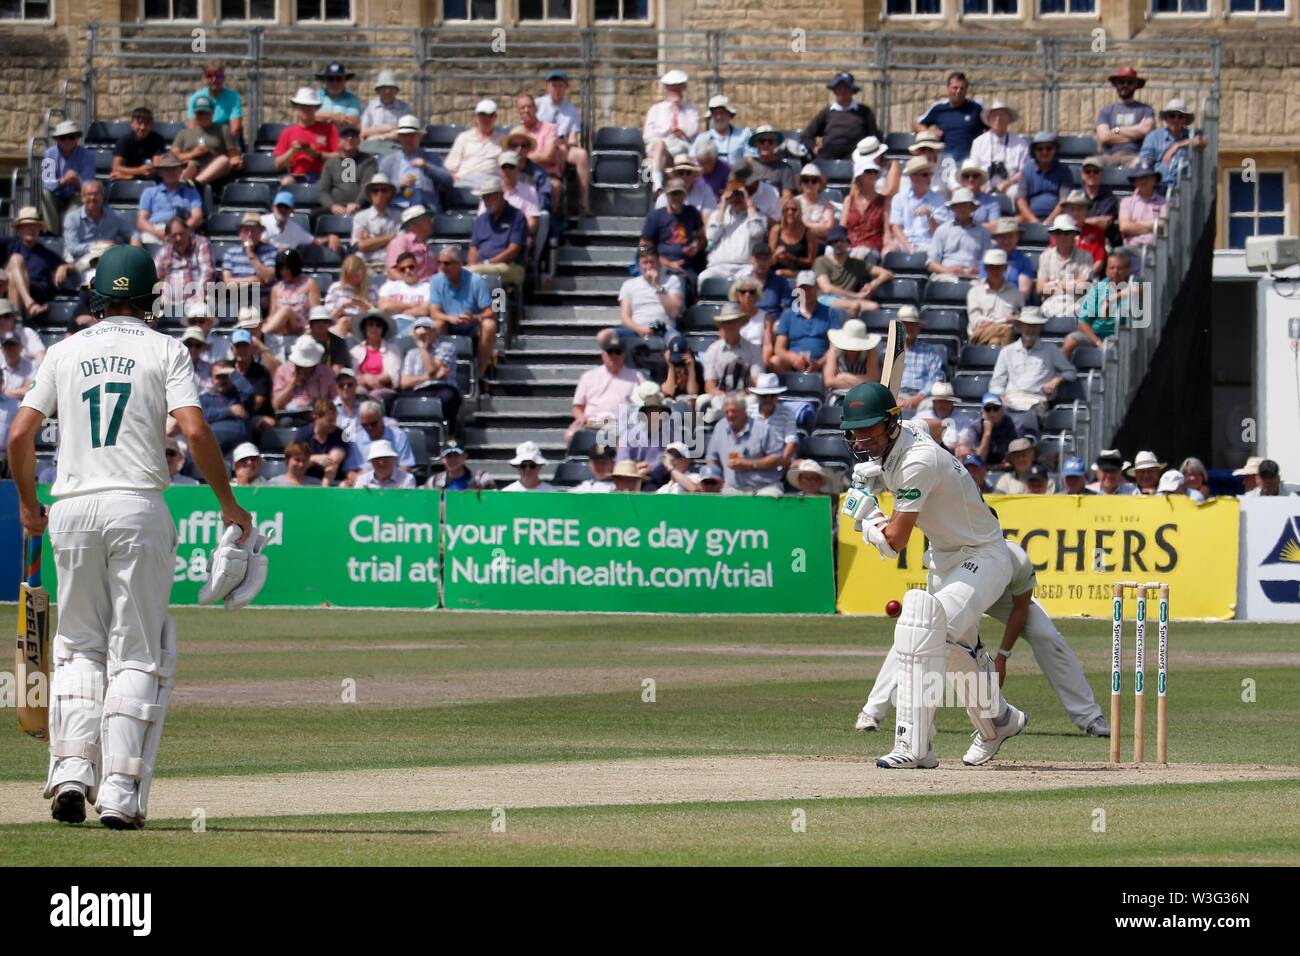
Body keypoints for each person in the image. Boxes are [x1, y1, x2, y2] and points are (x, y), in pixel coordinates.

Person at [7, 244, 253, 829]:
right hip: (138, 505)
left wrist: (26, 504)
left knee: (77, 648)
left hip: (71, 509)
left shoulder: (63, 351)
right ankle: (118, 789)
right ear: (149, 298)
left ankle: (70, 772)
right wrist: (229, 504)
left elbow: (18, 434)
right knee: (138, 651)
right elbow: (194, 431)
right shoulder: (165, 349)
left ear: (96, 293)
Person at [839, 381, 1028, 767]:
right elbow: (923, 427)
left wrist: (869, 512)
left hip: (984, 555)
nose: (862, 440)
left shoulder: (917, 462)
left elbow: (894, 542)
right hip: (944, 559)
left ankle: (914, 747)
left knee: (925, 630)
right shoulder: (904, 435)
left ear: (891, 424)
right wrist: (877, 470)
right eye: (856, 432)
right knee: (956, 647)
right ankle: (999, 720)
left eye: (869, 431)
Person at [858, 536, 1106, 737]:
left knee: (1047, 635)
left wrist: (1003, 657)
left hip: (1002, 596)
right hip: (962, 588)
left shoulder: (1015, 557)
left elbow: (1020, 609)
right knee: (920, 633)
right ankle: (873, 710)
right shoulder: (948, 557)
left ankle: (1089, 717)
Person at [427, 245, 497, 379]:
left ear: (458, 264)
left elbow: (490, 312)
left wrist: (475, 318)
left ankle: (479, 375)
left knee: (489, 325)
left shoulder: (476, 280)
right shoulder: (436, 281)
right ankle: (443, 370)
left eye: (446, 263)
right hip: (449, 323)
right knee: (438, 324)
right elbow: (434, 313)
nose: (442, 267)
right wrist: (450, 318)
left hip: (473, 325)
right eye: (439, 263)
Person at [989, 308, 1075, 417]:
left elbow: (1071, 372)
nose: (1031, 329)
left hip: (1037, 400)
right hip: (1011, 399)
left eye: (1035, 325)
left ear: (1040, 328)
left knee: (1033, 417)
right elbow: (996, 383)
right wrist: (1001, 397)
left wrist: (1055, 381)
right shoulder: (1007, 351)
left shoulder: (1051, 350)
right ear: (1020, 327)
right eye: (1027, 325)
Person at [567, 329, 643, 441]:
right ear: (603, 355)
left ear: (624, 355)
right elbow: (577, 408)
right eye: (610, 352)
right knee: (570, 435)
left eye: (618, 352)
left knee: (619, 434)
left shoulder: (636, 376)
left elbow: (644, 405)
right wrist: (581, 417)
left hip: (619, 423)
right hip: (592, 421)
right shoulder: (589, 376)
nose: (614, 356)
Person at [705, 393, 786, 496]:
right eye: (726, 412)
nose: (730, 415)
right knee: (724, 500)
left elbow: (777, 458)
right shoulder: (720, 427)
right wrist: (716, 479)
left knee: (768, 498)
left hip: (764, 487)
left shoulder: (762, 429)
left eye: (733, 411)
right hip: (733, 488)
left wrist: (749, 464)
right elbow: (711, 458)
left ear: (744, 411)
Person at [535, 69, 592, 215]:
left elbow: (573, 137)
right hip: (540, 145)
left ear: (565, 87)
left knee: (582, 155)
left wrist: (566, 145)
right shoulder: (537, 104)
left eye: (560, 85)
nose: (557, 89)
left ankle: (584, 204)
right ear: (547, 87)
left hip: (562, 146)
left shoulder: (571, 110)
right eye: (554, 85)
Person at [1063, 251, 1137, 362]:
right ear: (1106, 271)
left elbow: (1141, 290)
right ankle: (1065, 374)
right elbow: (1082, 322)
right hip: (1096, 336)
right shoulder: (1098, 288)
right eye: (1112, 268)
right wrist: (1098, 343)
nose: (1115, 271)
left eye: (1119, 268)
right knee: (1070, 340)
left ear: (1127, 270)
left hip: (1120, 337)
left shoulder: (1134, 283)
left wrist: (1111, 300)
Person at [2, 208, 73, 320]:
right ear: (19, 228)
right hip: (6, 293)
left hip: (36, 292)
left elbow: (74, 267)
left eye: (35, 225)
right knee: (16, 259)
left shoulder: (46, 254)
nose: (31, 229)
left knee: (13, 278)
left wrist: (65, 266)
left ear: (40, 228)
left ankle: (16, 323)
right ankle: (28, 305)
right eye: (27, 225)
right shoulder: (9, 244)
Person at [378, 115, 454, 213]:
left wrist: (427, 166)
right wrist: (399, 184)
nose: (408, 139)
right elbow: (379, 190)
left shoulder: (431, 157)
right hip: (396, 209)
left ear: (419, 137)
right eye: (404, 136)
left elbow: (448, 180)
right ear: (399, 138)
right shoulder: (388, 161)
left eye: (412, 135)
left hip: (425, 208)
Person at [771, 270, 842, 373]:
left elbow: (835, 347)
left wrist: (819, 363)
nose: (806, 292)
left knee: (834, 362)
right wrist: (794, 359)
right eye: (803, 288)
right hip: (793, 364)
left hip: (822, 363)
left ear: (817, 288)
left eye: (809, 288)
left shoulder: (830, 313)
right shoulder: (787, 315)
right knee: (775, 361)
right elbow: (779, 348)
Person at [800, 71, 880, 162]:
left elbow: (874, 136)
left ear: (852, 91)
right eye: (839, 88)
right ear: (834, 90)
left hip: (856, 155)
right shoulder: (826, 113)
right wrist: (814, 148)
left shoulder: (864, 112)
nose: (842, 91)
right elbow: (806, 135)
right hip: (828, 155)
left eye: (846, 87)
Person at [399, 316, 462, 428]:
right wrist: (430, 378)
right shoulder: (412, 353)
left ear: (434, 332)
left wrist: (424, 348)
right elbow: (404, 383)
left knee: (448, 398)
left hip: (442, 388)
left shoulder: (446, 347)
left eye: (426, 328)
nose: (422, 332)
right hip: (420, 389)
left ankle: (450, 432)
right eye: (418, 328)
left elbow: (432, 370)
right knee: (397, 399)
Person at [642, 70, 700, 193]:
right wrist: (668, 129)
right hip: (661, 148)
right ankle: (657, 185)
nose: (676, 91)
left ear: (684, 88)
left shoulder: (691, 109)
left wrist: (678, 111)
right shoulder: (656, 109)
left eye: (678, 87)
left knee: (662, 149)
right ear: (667, 89)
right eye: (672, 88)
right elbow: (647, 136)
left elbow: (692, 131)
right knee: (659, 145)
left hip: (681, 148)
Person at [815, 225, 891, 317]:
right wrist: (856, 296)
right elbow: (827, 288)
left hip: (848, 300)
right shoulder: (821, 261)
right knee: (854, 305)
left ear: (847, 243)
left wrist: (873, 284)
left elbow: (887, 273)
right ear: (830, 244)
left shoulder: (856, 263)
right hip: (826, 299)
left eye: (842, 241)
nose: (838, 244)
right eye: (835, 241)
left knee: (873, 307)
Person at [701, 178, 768, 282]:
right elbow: (711, 236)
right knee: (704, 278)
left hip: (745, 267)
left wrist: (749, 204)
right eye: (733, 194)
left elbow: (756, 232)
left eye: (740, 194)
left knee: (751, 281)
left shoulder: (758, 216)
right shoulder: (717, 215)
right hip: (718, 266)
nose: (736, 198)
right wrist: (723, 206)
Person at [467, 176, 528, 289]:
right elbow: (473, 248)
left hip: (510, 267)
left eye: (490, 196)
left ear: (500, 195)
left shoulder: (517, 216)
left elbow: (513, 251)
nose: (487, 201)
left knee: (471, 273)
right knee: (455, 274)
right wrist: (473, 264)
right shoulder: (481, 220)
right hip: (481, 267)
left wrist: (488, 262)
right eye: (484, 197)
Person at [171, 95, 243, 187]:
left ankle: (196, 183)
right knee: (189, 165)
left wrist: (236, 162)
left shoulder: (223, 130)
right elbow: (173, 157)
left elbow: (233, 154)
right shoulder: (184, 133)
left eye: (206, 113)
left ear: (212, 113)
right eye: (200, 113)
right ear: (195, 114)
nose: (202, 116)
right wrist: (193, 154)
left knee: (224, 160)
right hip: (192, 167)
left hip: (215, 168)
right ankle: (181, 187)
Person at [915, 71, 986, 165]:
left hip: (970, 162)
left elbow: (991, 129)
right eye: (955, 88)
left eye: (962, 88)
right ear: (948, 88)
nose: (958, 91)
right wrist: (929, 133)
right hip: (945, 162)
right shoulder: (938, 108)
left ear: (966, 90)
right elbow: (917, 124)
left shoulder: (976, 108)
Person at [640, 177, 706, 275]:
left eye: (680, 194)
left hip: (687, 267)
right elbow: (644, 246)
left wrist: (696, 246)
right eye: (673, 194)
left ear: (685, 195)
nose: (677, 198)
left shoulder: (692, 212)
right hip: (660, 266)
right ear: (667, 195)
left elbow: (702, 239)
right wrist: (667, 263)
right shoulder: (655, 216)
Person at [62, 181, 133, 272]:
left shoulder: (114, 216)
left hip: (106, 260)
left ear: (103, 197)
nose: (92, 198)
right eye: (89, 194)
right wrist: (97, 245)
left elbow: (132, 233)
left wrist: (135, 242)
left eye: (96, 194)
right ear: (82, 198)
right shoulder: (72, 218)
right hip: (78, 259)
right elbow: (73, 248)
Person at [619, 246, 684, 342]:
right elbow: (625, 318)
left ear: (658, 263)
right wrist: (640, 330)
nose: (649, 266)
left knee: (668, 334)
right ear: (639, 265)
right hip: (637, 328)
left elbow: (674, 313)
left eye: (652, 262)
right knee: (605, 336)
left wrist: (657, 285)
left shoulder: (672, 280)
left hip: (661, 326)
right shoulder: (628, 285)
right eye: (645, 262)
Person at [273, 88, 339, 184]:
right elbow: (277, 164)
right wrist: (292, 151)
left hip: (323, 177)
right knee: (286, 183)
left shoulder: (330, 130)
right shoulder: (288, 132)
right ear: (296, 108)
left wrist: (317, 155)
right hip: (296, 177)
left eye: (309, 106)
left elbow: (341, 157)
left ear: (316, 108)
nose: (306, 109)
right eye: (302, 106)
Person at [136, 154, 203, 247]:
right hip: (156, 230)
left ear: (181, 171)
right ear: (160, 172)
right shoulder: (149, 192)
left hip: (184, 230)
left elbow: (197, 216)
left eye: (175, 169)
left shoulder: (191, 193)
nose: (171, 172)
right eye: (167, 169)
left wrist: (179, 230)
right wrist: (156, 232)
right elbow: (141, 220)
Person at [40, 120, 97, 230]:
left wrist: (76, 181)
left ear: (77, 138)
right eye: (63, 138)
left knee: (83, 197)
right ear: (57, 140)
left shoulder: (88, 155)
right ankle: (52, 233)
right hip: (56, 196)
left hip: (77, 195)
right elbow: (47, 183)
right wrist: (64, 180)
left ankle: (69, 231)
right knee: (45, 193)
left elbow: (88, 187)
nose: (67, 141)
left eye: (71, 137)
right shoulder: (49, 154)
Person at [1037, 214, 1095, 319]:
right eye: (1058, 233)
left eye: (1067, 233)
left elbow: (1084, 287)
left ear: (1074, 235)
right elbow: (1040, 288)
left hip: (1076, 306)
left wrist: (1053, 284)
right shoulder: (1045, 256)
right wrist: (1072, 284)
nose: (1062, 236)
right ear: (1053, 235)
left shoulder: (1086, 256)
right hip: (1050, 306)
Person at [1095, 66, 1155, 168]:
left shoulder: (1146, 109)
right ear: (1116, 84)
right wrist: (1135, 134)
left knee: (1142, 166)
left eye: (1129, 82)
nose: (1125, 85)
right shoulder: (1106, 110)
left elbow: (1145, 131)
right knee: (1090, 165)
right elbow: (1104, 137)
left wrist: (1115, 130)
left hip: (1135, 156)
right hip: (1109, 157)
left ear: (1135, 85)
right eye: (1121, 82)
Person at [1140, 98, 1205, 189]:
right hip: (1159, 187)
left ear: (1185, 119)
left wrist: (1177, 145)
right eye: (1172, 116)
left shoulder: (1192, 135)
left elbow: (1203, 141)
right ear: (1166, 118)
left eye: (1180, 116)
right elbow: (1145, 162)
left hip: (1184, 189)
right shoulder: (1153, 137)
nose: (1176, 119)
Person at [892, 305, 949, 410]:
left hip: (923, 398)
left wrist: (919, 397)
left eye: (913, 324)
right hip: (896, 397)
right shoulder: (890, 351)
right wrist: (895, 397)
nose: (909, 328)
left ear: (918, 327)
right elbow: (884, 379)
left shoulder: (929, 351)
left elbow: (936, 378)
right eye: (905, 324)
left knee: (931, 406)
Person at [969, 99, 1028, 198]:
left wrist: (1008, 182)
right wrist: (979, 186)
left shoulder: (1020, 144)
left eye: (1002, 115)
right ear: (989, 119)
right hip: (983, 186)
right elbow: (973, 169)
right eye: (994, 115)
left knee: (1017, 192)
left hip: (1010, 186)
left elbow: (1025, 171)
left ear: (1009, 119)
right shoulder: (978, 142)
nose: (998, 119)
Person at [887, 157, 947, 253]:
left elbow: (939, 234)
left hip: (928, 244)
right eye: (925, 175)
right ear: (913, 177)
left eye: (930, 174)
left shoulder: (939, 200)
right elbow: (896, 227)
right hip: (904, 242)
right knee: (887, 252)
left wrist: (929, 216)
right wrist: (908, 247)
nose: (929, 178)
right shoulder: (899, 198)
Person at [928, 188, 991, 277]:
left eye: (966, 205)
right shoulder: (942, 230)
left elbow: (989, 261)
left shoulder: (983, 232)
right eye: (959, 205)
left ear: (972, 208)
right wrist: (947, 271)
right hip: (946, 275)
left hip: (973, 277)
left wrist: (978, 269)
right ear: (953, 208)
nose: (962, 209)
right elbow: (931, 264)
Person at [966, 248, 1024, 344]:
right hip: (979, 336)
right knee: (1005, 330)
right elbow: (976, 322)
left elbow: (1019, 322)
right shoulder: (974, 292)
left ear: (1005, 268)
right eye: (991, 267)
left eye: (998, 267)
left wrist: (992, 323)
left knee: (996, 341)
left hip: (1006, 337)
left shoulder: (1016, 294)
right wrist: (1004, 320)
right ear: (985, 268)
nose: (994, 271)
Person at [345, 400, 415, 477]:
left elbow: (406, 467)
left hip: (393, 482)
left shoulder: (398, 436)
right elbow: (350, 471)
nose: (370, 428)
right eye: (365, 425)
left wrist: (387, 482)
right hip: (364, 483)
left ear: (382, 419)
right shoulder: (356, 439)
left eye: (373, 424)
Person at [318, 125, 378, 215]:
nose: (349, 138)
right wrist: (331, 206)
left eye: (353, 136)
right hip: (333, 209)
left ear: (359, 140)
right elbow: (323, 190)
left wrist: (358, 203)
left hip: (362, 208)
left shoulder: (369, 161)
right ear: (338, 141)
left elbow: (368, 185)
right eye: (344, 136)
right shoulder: (330, 163)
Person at [703, 305, 763, 395]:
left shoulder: (754, 349)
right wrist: (722, 396)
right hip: (720, 395)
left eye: (734, 321)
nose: (730, 326)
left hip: (745, 395)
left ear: (740, 324)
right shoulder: (712, 350)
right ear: (722, 326)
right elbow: (710, 384)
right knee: (701, 400)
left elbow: (757, 380)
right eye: (727, 322)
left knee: (753, 400)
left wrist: (744, 393)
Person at [445, 99, 504, 189]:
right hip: (464, 181)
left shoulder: (502, 141)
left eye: (490, 115)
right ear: (476, 117)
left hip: (490, 183)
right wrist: (453, 177)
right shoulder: (463, 138)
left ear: (495, 117)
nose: (486, 118)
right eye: (482, 115)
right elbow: (450, 167)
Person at [293, 398, 352, 485]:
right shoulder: (303, 434)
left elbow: (333, 462)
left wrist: (323, 491)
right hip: (306, 480)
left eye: (335, 419)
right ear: (317, 418)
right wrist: (314, 458)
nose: (334, 424)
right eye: (330, 420)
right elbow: (297, 464)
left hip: (333, 481)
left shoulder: (340, 435)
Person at [1016, 132, 1071, 224]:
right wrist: (1033, 220)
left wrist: (1050, 220)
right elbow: (1021, 200)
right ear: (1034, 151)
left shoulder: (1064, 171)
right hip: (1030, 217)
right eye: (1040, 149)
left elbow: (1064, 200)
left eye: (1049, 148)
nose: (1044, 152)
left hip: (1058, 217)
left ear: (1055, 150)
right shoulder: (1026, 170)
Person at [263, 249, 319, 337]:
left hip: (302, 326)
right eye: (281, 269)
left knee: (286, 310)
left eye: (287, 269)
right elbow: (272, 314)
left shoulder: (309, 284)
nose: (284, 272)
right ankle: (263, 333)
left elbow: (315, 311)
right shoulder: (276, 288)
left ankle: (262, 335)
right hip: (282, 327)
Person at [272, 336, 337, 412]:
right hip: (290, 416)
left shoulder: (327, 373)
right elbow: (276, 405)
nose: (305, 368)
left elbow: (336, 400)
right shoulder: (283, 371)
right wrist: (292, 383)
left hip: (319, 414)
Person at [188, 60, 244, 146]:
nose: (214, 79)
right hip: (202, 144)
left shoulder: (234, 98)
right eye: (209, 76)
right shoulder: (195, 98)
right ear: (204, 78)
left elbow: (235, 129)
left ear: (223, 77)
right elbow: (192, 128)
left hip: (227, 144)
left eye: (218, 76)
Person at [349, 310, 402, 401]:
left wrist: (375, 380)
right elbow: (351, 375)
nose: (374, 328)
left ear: (383, 329)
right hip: (361, 386)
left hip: (384, 388)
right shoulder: (355, 351)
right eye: (370, 325)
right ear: (364, 328)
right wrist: (365, 379)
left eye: (378, 325)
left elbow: (393, 374)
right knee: (358, 392)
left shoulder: (393, 349)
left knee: (375, 395)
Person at [1119, 161, 1166, 255]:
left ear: (1154, 179)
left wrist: (1135, 224)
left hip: (1156, 250)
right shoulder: (1126, 202)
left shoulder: (1164, 202)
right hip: (1131, 250)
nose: (1143, 181)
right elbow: (1124, 227)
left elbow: (1164, 224)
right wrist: (1153, 229)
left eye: (1146, 177)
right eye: (1139, 178)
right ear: (1135, 182)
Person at [823, 318, 881, 395]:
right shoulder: (833, 351)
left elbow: (873, 379)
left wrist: (844, 377)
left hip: (864, 396)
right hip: (838, 397)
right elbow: (829, 381)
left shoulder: (871, 352)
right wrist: (862, 381)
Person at [220, 213, 278, 289]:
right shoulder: (231, 253)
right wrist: (254, 280)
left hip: (261, 296)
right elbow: (227, 281)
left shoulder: (270, 251)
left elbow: (268, 278)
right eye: (246, 230)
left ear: (260, 233)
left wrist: (251, 254)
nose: (250, 234)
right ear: (240, 233)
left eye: (254, 230)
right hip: (237, 296)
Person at [109, 107, 167, 182]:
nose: (142, 127)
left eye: (146, 124)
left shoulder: (158, 140)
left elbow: (156, 168)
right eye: (139, 123)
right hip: (127, 181)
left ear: (152, 125)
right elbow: (115, 168)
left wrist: (129, 175)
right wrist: (139, 171)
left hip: (149, 180)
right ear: (132, 124)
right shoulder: (124, 140)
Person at [985, 217, 1036, 300]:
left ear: (1017, 237)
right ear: (996, 238)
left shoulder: (1024, 261)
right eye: (1002, 237)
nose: (1006, 240)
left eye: (1010, 236)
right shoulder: (987, 259)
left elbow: (1024, 292)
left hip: (1014, 304)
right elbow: (983, 286)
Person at [385, 205, 438, 282]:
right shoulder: (400, 242)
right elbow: (393, 272)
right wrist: (412, 286)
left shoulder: (427, 245)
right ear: (416, 223)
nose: (431, 222)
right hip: (405, 291)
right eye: (427, 219)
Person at [361, 69, 413, 145]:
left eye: (390, 88)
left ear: (396, 90)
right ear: (378, 90)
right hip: (372, 147)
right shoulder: (371, 107)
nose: (387, 91)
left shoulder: (404, 108)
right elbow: (364, 132)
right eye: (384, 88)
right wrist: (390, 129)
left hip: (396, 147)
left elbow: (406, 132)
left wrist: (380, 137)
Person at [378, 251, 433, 323]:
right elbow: (384, 308)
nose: (407, 271)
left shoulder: (428, 287)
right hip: (392, 326)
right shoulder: (388, 286)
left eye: (411, 267)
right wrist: (411, 305)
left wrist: (400, 314)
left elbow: (424, 311)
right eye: (402, 269)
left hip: (416, 326)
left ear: (418, 267)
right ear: (398, 271)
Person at [770, 196, 815, 280]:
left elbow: (811, 261)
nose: (790, 212)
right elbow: (769, 261)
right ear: (783, 212)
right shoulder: (776, 231)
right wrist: (776, 255)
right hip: (777, 273)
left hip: (800, 275)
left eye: (794, 210)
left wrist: (791, 258)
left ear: (800, 212)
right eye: (787, 209)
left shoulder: (808, 233)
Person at [975, 391, 1022, 469]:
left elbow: (1019, 455)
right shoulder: (976, 427)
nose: (992, 412)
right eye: (988, 409)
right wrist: (987, 433)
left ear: (1002, 410)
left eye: (996, 408)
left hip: (1010, 469)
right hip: (982, 469)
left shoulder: (1014, 425)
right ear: (982, 412)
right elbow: (978, 460)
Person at [426, 443, 493, 490]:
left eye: (456, 455)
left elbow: (493, 502)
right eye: (449, 456)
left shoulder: (481, 479)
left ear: (464, 456)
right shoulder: (434, 482)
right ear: (443, 459)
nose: (453, 459)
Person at [315, 62, 362, 128]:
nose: (335, 83)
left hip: (342, 136)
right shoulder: (316, 96)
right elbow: (308, 116)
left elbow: (354, 121)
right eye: (331, 79)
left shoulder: (352, 99)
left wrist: (322, 117)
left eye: (339, 79)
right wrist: (332, 116)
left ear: (345, 80)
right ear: (325, 80)